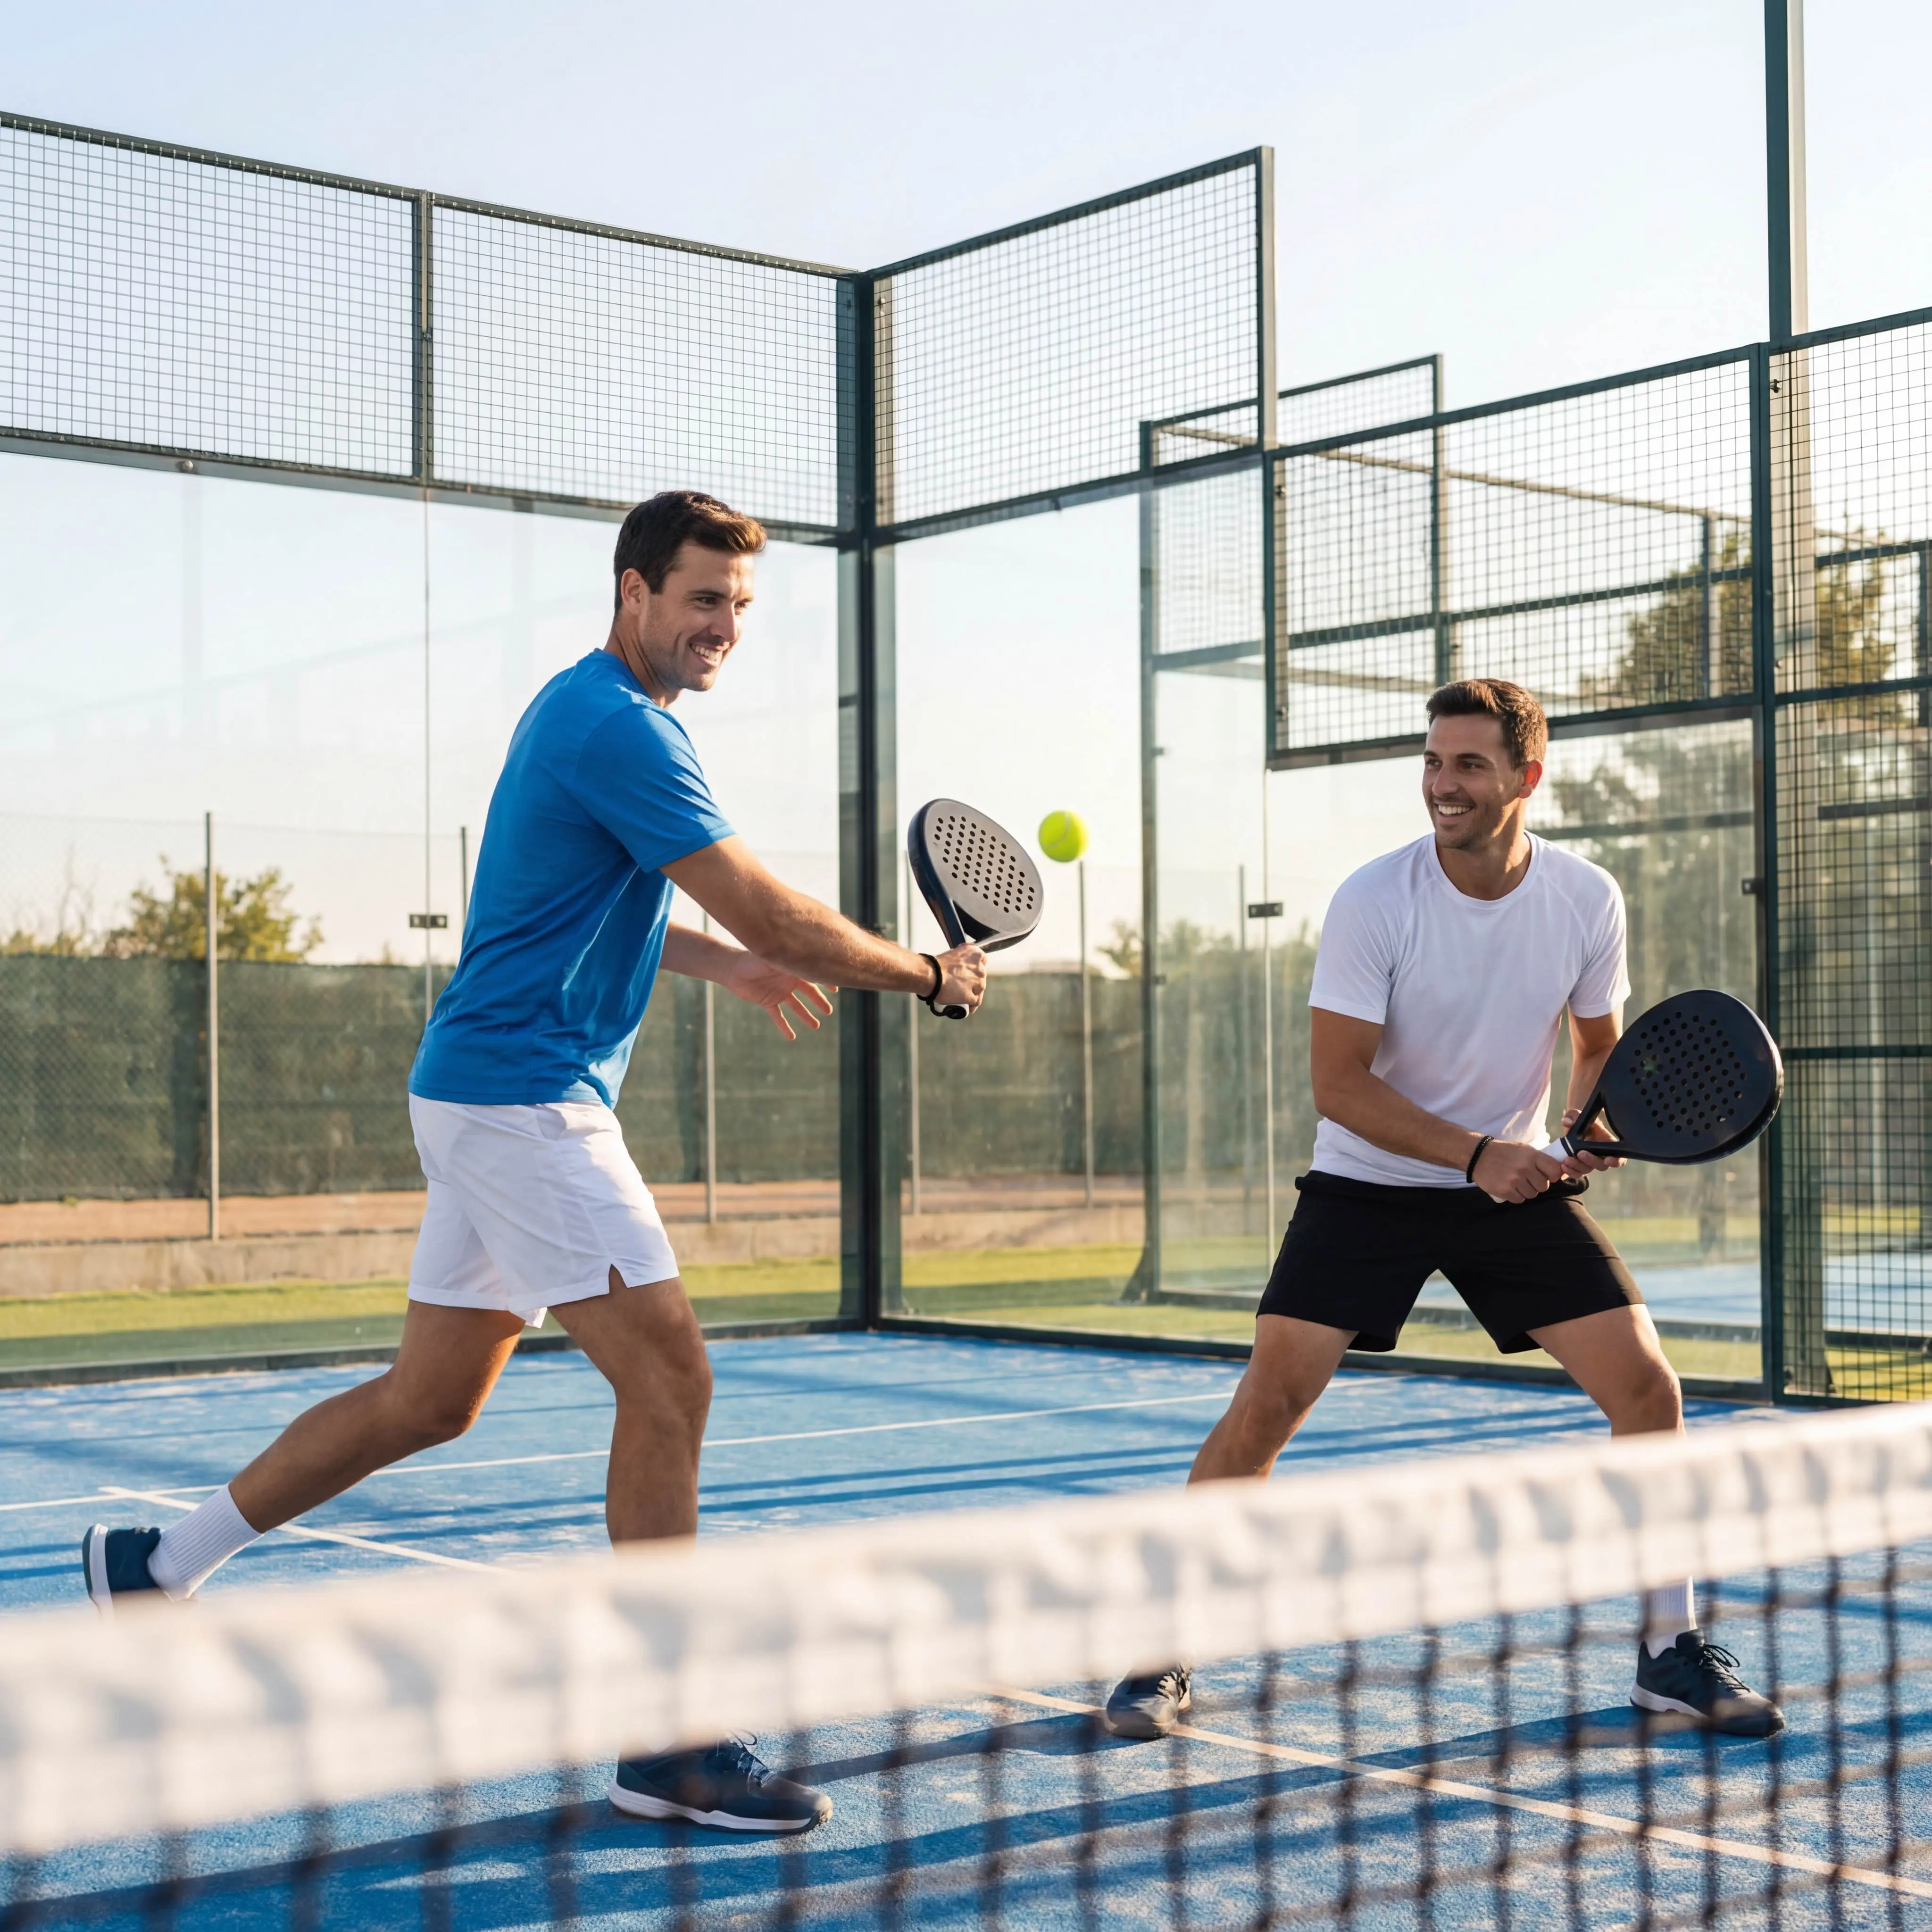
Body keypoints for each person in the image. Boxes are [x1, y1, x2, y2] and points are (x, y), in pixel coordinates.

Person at [82, 489, 987, 1834]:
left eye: (740, 606)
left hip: (481, 1092)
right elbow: (772, 904)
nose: (722, 626)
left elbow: (592, 901)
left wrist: (713, 958)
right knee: (672, 1378)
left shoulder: (597, 717)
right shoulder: (616, 725)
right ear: (634, 592)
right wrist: (926, 973)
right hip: (523, 1104)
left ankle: (159, 1563)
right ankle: (667, 1738)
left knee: (429, 1402)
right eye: (700, 598)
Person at [1103, 677, 1783, 1743]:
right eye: (1431, 762)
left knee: (1648, 1389)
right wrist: (1477, 1154)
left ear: (1525, 775)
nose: (1442, 785)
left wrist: (1584, 1125)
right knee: (1269, 1400)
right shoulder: (1377, 897)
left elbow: (1598, 1039)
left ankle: (1667, 1648)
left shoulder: (1585, 897)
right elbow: (1340, 1083)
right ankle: (1162, 1647)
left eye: (1467, 764)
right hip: (1372, 1179)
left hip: (1508, 1187)